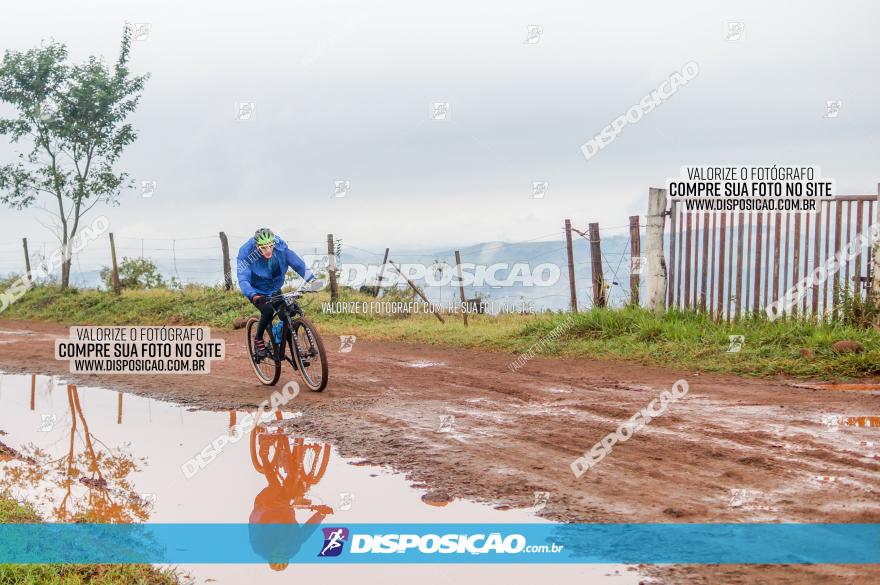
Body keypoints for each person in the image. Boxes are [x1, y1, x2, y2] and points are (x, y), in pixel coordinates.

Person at [237, 228, 316, 358]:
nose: (268, 250)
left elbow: (297, 264)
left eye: (271, 246)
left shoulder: (281, 247)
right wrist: (253, 295)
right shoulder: (246, 253)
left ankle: (282, 338)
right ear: (257, 246)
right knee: (267, 311)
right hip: (256, 291)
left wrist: (312, 280)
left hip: (274, 287)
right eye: (263, 248)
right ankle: (258, 339)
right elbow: (243, 278)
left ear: (274, 243)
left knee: (288, 313)